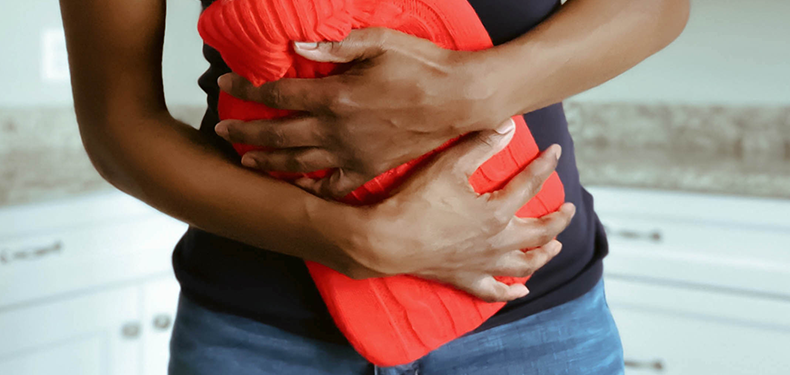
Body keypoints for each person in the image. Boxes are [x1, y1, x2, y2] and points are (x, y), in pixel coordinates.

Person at [58, 0, 689, 373]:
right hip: (263, 335)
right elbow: (119, 123)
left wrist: (468, 93)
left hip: (533, 329)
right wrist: (354, 239)